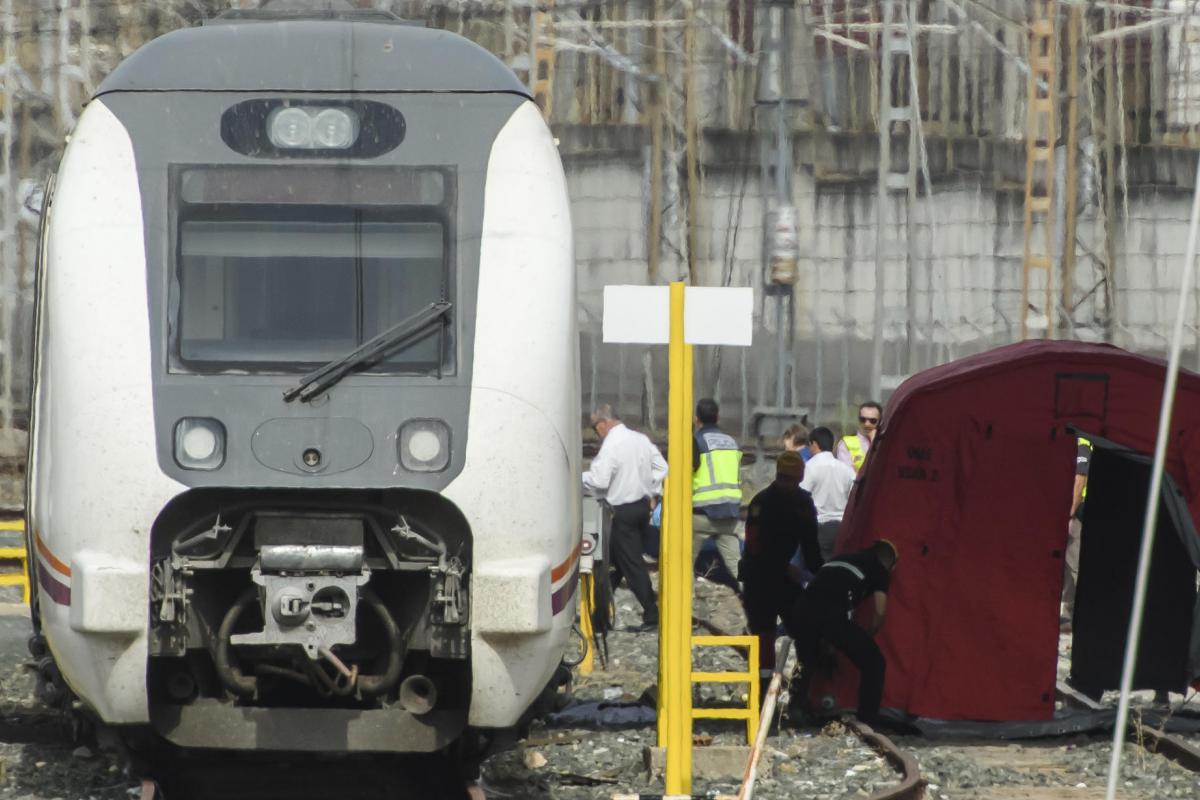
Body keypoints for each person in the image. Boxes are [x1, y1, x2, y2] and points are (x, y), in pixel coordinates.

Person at [788, 539, 898, 725]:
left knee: (808, 660)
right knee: (874, 661)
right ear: (889, 562)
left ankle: (797, 707)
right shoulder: (879, 569)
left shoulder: (840, 559)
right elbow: (879, 611)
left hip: (801, 610)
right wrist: (869, 633)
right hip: (832, 614)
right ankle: (868, 715)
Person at [582, 405, 667, 631]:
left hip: (621, 512)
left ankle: (652, 615)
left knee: (630, 564)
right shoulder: (640, 439)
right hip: (641, 508)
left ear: (603, 423)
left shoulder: (611, 445)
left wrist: (578, 478)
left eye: (594, 427)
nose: (596, 433)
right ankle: (598, 615)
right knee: (614, 563)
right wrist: (650, 489)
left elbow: (599, 481)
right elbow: (662, 467)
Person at [740, 451, 820, 684]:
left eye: (792, 480)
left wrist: (821, 575)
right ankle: (762, 690)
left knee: (804, 629)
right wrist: (785, 567)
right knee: (763, 634)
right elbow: (755, 546)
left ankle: (804, 684)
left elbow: (810, 544)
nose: (789, 484)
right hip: (761, 579)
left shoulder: (803, 503)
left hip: (789, 581)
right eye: (785, 478)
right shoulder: (762, 503)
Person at [692, 398, 743, 582]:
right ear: (718, 417)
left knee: (682, 563)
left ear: (696, 419)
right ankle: (759, 605)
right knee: (738, 567)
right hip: (729, 515)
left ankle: (683, 605)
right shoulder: (731, 442)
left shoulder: (696, 441)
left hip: (701, 515)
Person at [800, 426, 858, 561]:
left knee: (818, 568)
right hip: (843, 527)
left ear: (814, 444)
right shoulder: (846, 470)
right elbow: (855, 498)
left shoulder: (810, 467)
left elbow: (801, 496)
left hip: (819, 526)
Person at [1062, 435, 1092, 627]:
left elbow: (1080, 479)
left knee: (1072, 563)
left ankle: (1070, 614)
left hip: (1079, 511)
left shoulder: (1083, 443)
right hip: (1080, 509)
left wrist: (1070, 513)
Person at [837, 401, 882, 472]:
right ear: (858, 420)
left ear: (880, 422)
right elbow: (847, 475)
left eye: (872, 421)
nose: (867, 424)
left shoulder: (884, 443)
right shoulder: (846, 443)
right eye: (863, 419)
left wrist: (874, 442)